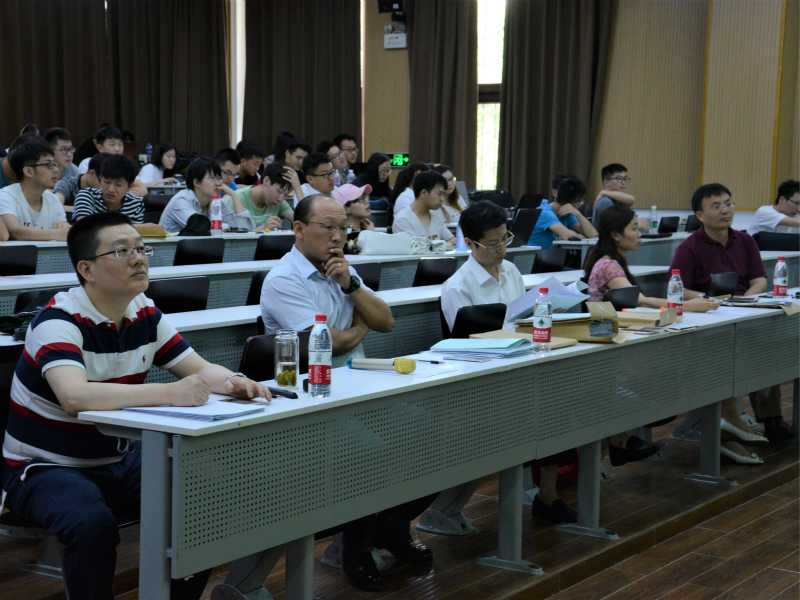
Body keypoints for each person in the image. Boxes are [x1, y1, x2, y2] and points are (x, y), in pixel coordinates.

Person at [1, 211, 269, 599]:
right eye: (122, 251)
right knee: (90, 524)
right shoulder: (57, 321)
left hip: (117, 458)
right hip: (43, 466)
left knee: (204, 503)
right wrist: (169, 394)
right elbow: (75, 397)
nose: (138, 258)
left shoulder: (144, 312)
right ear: (87, 270)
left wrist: (233, 382)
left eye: (141, 249)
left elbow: (198, 368)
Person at [260, 194, 433, 591]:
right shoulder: (284, 279)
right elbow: (327, 344)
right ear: (299, 230)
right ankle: (353, 549)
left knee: (431, 429)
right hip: (312, 398)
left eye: (343, 228)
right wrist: (358, 328)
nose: (338, 236)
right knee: (369, 452)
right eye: (328, 227)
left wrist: (352, 285)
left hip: (359, 389)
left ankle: (391, 527)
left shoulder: (341, 271)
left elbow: (385, 322)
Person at [439, 200, 581, 523]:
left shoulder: (511, 271)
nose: (502, 249)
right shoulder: (457, 287)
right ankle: (541, 496)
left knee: (560, 400)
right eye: (493, 244)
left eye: (505, 238)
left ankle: (547, 494)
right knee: (545, 405)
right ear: (471, 244)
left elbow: (521, 320)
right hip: (481, 378)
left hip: (518, 365)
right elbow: (465, 344)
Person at [670, 183, 788, 453]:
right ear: (700, 215)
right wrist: (707, 299)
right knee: (730, 354)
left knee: (767, 349)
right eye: (716, 206)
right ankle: (729, 422)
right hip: (708, 319)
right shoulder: (689, 248)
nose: (726, 210)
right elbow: (678, 289)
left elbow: (759, 280)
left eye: (728, 203)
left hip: (744, 311)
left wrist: (743, 301)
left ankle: (771, 419)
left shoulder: (745, 241)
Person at [584, 204, 720, 312]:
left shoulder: (608, 261)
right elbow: (641, 301)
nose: (639, 234)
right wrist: (689, 305)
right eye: (634, 229)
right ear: (616, 235)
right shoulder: (608, 266)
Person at [160, 157, 255, 233]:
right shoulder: (181, 200)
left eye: (219, 178)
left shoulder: (218, 203)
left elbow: (244, 228)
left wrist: (234, 195)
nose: (218, 183)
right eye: (212, 178)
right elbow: (198, 227)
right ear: (197, 182)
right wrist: (226, 226)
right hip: (168, 250)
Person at [0, 141, 69, 241]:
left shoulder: (53, 199)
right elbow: (14, 231)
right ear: (28, 171)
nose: (56, 170)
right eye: (48, 165)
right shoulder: (5, 196)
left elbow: (65, 232)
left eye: (55, 164)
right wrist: (55, 234)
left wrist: (63, 227)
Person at [76, 126, 147, 197]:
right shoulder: (88, 162)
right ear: (99, 147)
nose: (117, 149)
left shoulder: (122, 165)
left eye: (120, 144)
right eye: (112, 144)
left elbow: (143, 190)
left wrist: (122, 195)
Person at [527, 177, 597, 248]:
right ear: (576, 203)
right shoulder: (545, 213)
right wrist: (579, 236)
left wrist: (578, 215)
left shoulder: (566, 214)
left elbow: (593, 235)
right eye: (581, 201)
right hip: (532, 254)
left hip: (546, 253)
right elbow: (568, 236)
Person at [223, 162, 293, 231]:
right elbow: (231, 236)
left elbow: (298, 221)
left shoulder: (279, 203)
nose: (280, 199)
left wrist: (297, 187)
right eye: (279, 191)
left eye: (286, 195)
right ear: (266, 181)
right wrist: (262, 229)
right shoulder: (237, 199)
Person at [73, 155, 144, 223]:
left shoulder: (135, 203)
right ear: (100, 179)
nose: (111, 189)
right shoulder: (87, 195)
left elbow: (135, 230)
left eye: (118, 185)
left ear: (130, 187)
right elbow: (83, 226)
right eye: (107, 182)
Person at [392, 171, 456, 244]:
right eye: (439, 194)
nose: (442, 199)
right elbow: (415, 248)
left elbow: (452, 240)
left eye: (443, 195)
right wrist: (444, 245)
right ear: (424, 193)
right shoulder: (403, 220)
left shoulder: (435, 217)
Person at [592, 163, 636, 229]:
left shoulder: (620, 200)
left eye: (625, 178)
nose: (623, 182)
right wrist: (635, 224)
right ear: (606, 182)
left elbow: (631, 200)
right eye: (619, 178)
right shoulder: (606, 201)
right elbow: (614, 228)